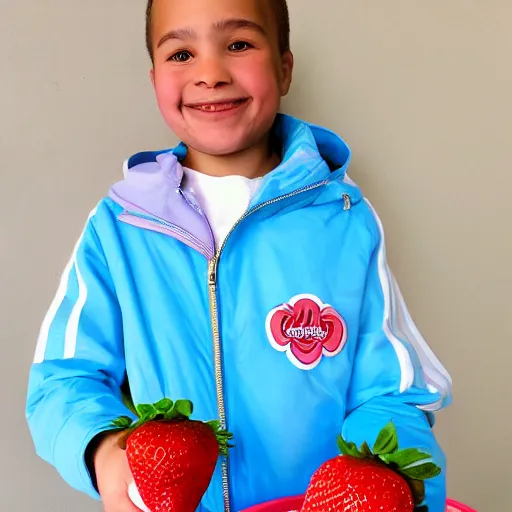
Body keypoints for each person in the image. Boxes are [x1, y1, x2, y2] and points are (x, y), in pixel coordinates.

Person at [25, 0, 452, 511]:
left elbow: (392, 390)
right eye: (181, 53)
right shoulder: (120, 226)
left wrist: (390, 478)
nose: (210, 74)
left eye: (239, 44)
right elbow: (63, 380)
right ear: (154, 77)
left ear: (285, 67)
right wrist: (102, 448)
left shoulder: (344, 220)